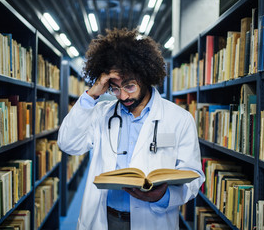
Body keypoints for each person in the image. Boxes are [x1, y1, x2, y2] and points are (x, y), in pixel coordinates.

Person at [58, 28, 205, 230]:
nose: (122, 96)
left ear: (145, 76)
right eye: (114, 88)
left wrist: (164, 196)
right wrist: (91, 95)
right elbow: (68, 144)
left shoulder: (179, 118)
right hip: (105, 218)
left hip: (152, 218)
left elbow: (193, 175)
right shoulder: (101, 113)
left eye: (129, 86)